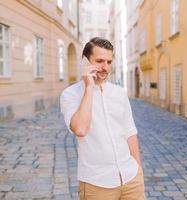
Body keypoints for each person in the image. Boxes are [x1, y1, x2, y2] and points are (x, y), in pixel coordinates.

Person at [60, 37, 145, 200]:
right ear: (85, 62)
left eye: (109, 62)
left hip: (131, 179)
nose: (105, 67)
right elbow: (80, 129)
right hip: (96, 183)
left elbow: (130, 132)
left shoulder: (119, 93)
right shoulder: (70, 95)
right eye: (99, 61)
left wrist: (137, 169)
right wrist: (89, 88)